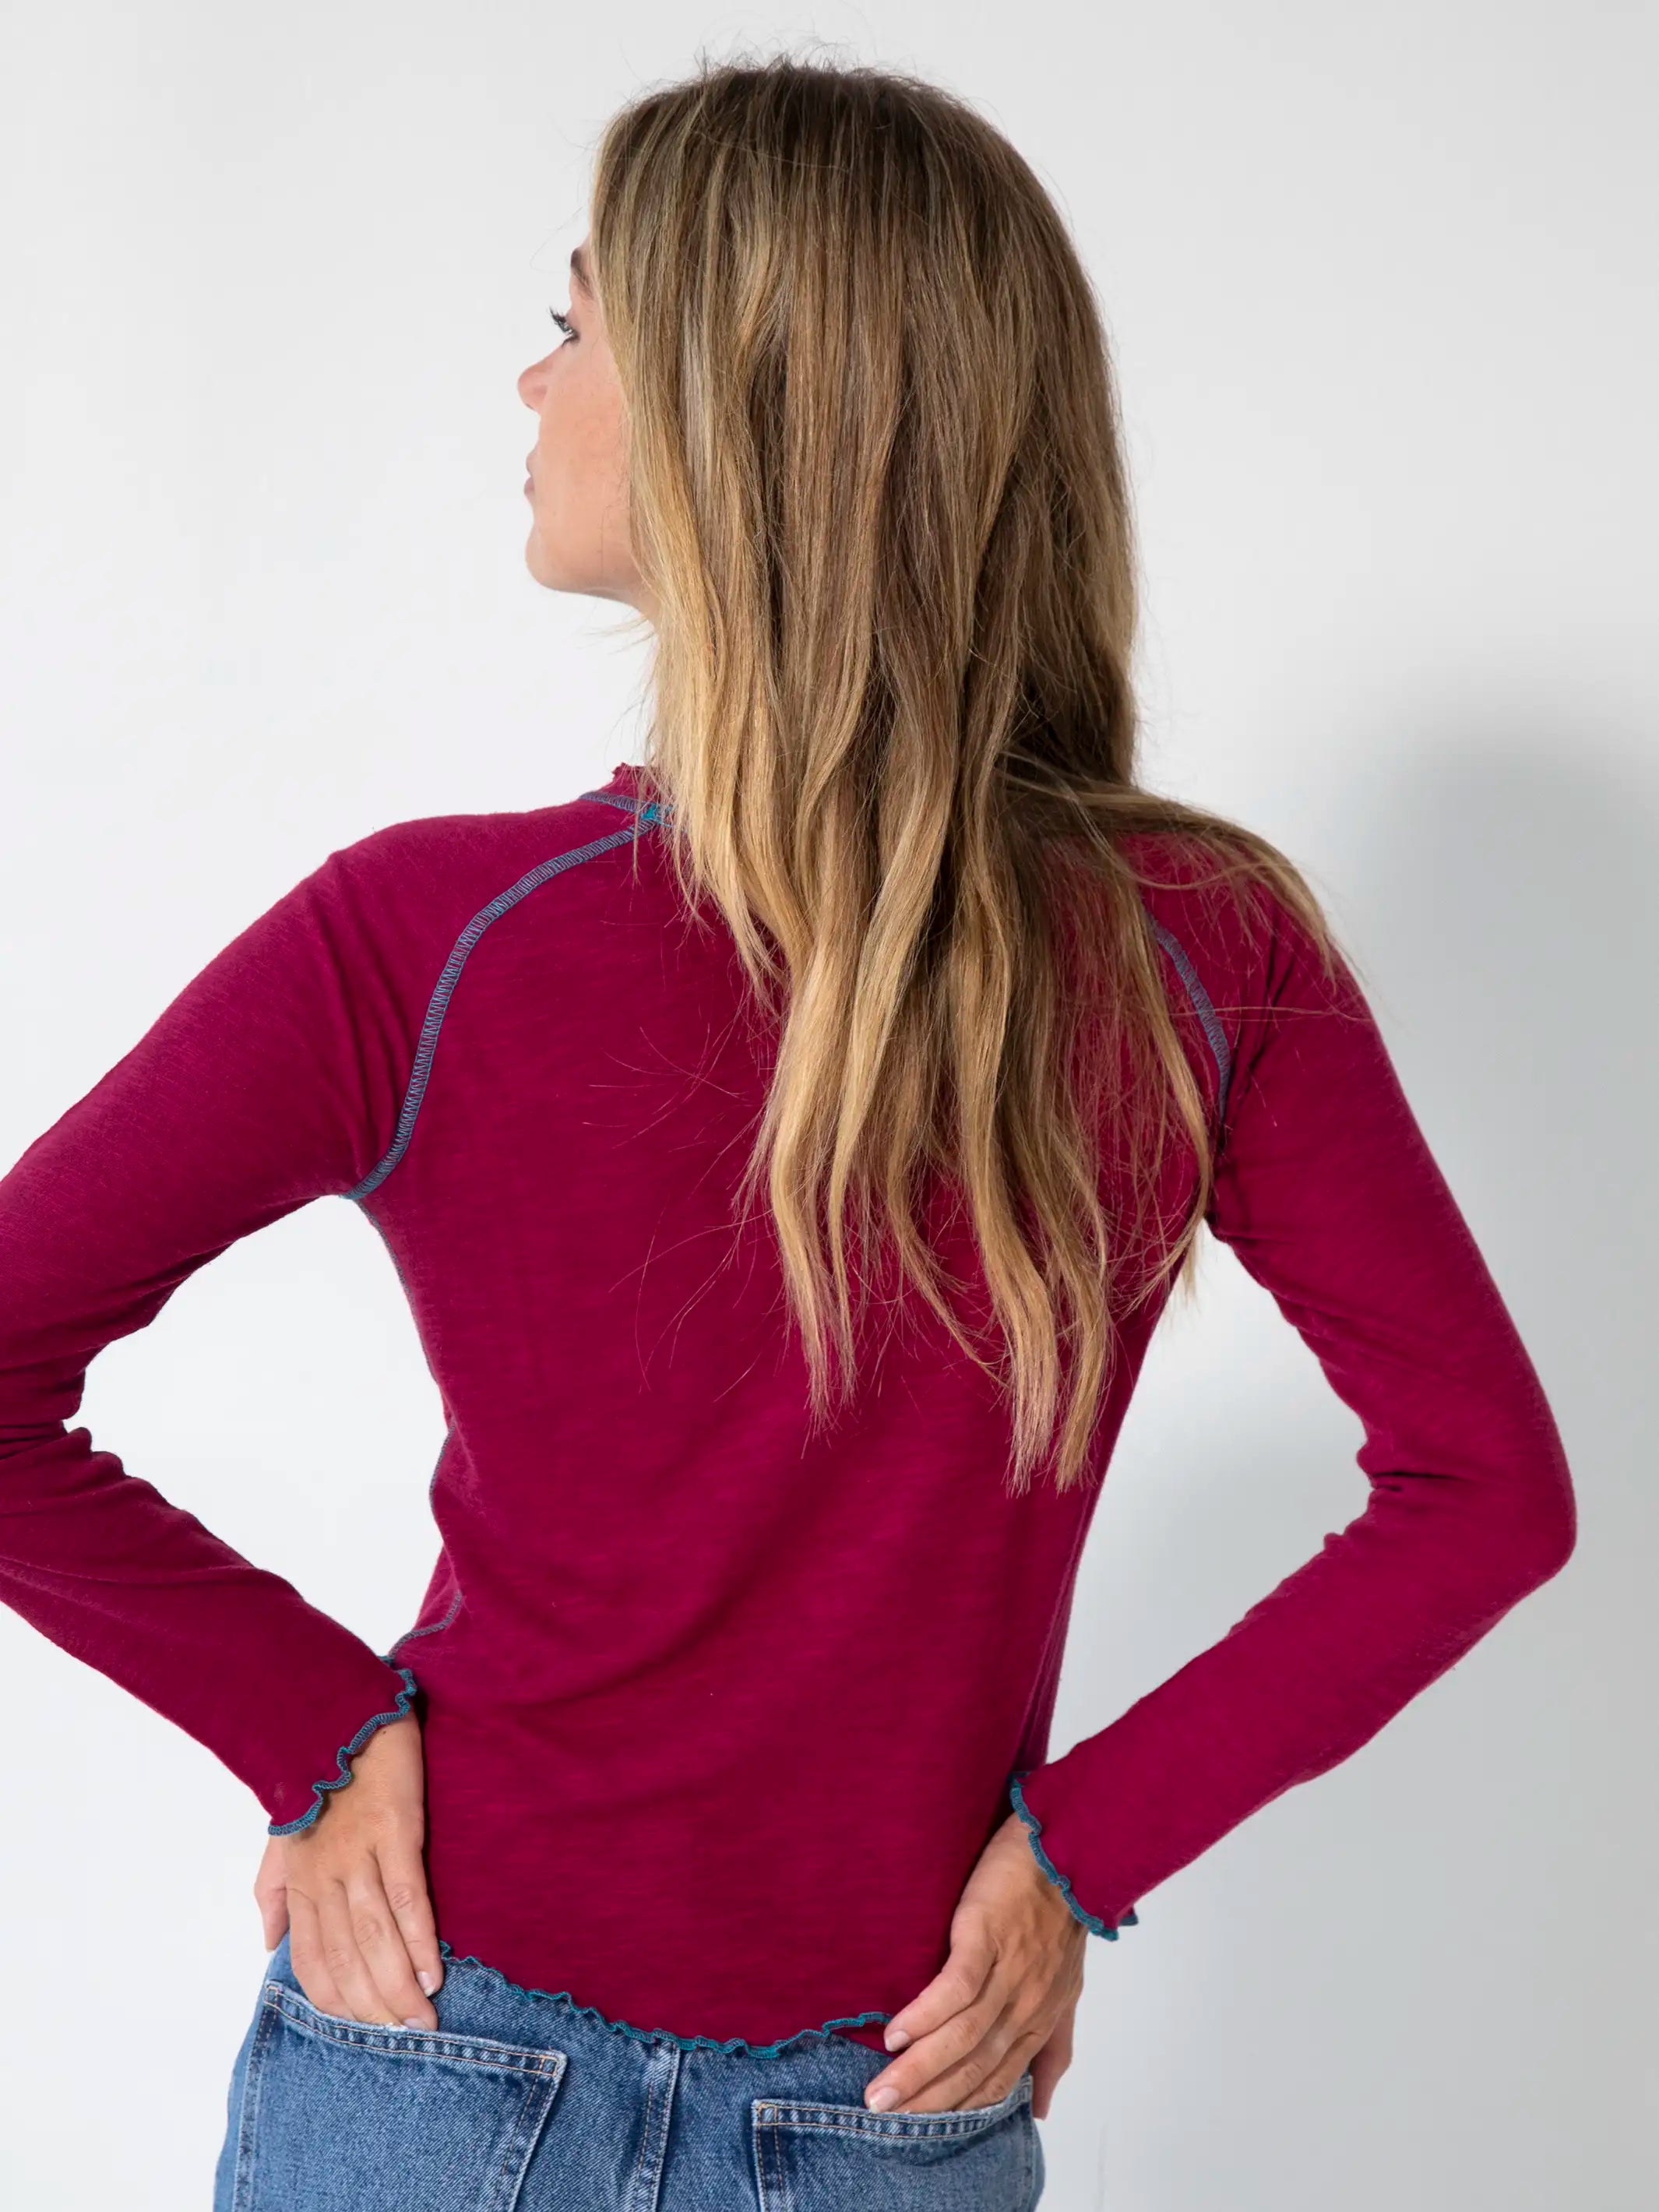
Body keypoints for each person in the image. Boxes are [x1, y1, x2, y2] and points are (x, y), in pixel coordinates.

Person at [0, 53, 1576, 2212]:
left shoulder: (442, 935)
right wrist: (311, 1721)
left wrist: (1087, 1847)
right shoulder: (1188, 948)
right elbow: (1488, 1493)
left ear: (731, 416)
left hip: (483, 2072)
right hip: (759, 2087)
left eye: (574, 323)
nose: (530, 382)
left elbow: (1485, 1494)